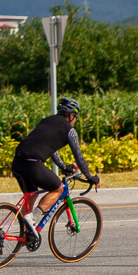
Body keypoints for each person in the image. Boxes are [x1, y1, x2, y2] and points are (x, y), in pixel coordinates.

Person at [11, 97, 101, 245]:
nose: (75, 120)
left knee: (32, 194)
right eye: (75, 117)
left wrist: (63, 167)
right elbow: (79, 157)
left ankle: (25, 236)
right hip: (32, 163)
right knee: (58, 189)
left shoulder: (46, 121)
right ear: (71, 115)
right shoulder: (70, 131)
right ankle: (32, 219)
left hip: (17, 162)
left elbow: (51, 148)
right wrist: (90, 177)